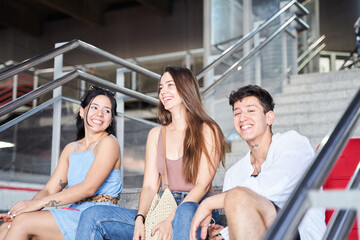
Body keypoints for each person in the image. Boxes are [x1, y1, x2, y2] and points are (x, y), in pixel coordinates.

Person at [75, 66, 227, 240]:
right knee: (92, 215)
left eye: (170, 85)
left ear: (186, 87)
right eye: (161, 88)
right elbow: (149, 186)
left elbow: (201, 186)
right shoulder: (156, 135)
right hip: (164, 206)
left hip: (197, 208)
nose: (163, 92)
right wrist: (140, 218)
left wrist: (171, 221)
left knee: (184, 212)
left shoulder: (208, 129)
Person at [190, 85, 326, 240]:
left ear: (269, 117)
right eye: (237, 113)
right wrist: (225, 234)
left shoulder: (294, 143)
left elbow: (274, 185)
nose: (242, 118)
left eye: (250, 110)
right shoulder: (233, 174)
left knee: (239, 196)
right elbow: (245, 219)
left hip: (301, 234)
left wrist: (208, 203)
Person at [0, 86, 122, 240]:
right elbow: (50, 190)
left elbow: (88, 188)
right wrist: (23, 209)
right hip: (74, 210)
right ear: (82, 111)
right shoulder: (70, 149)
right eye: (95, 107)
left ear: (111, 119)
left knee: (23, 223)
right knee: (8, 226)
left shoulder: (109, 143)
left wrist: (36, 206)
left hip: (97, 215)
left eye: (107, 111)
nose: (100, 114)